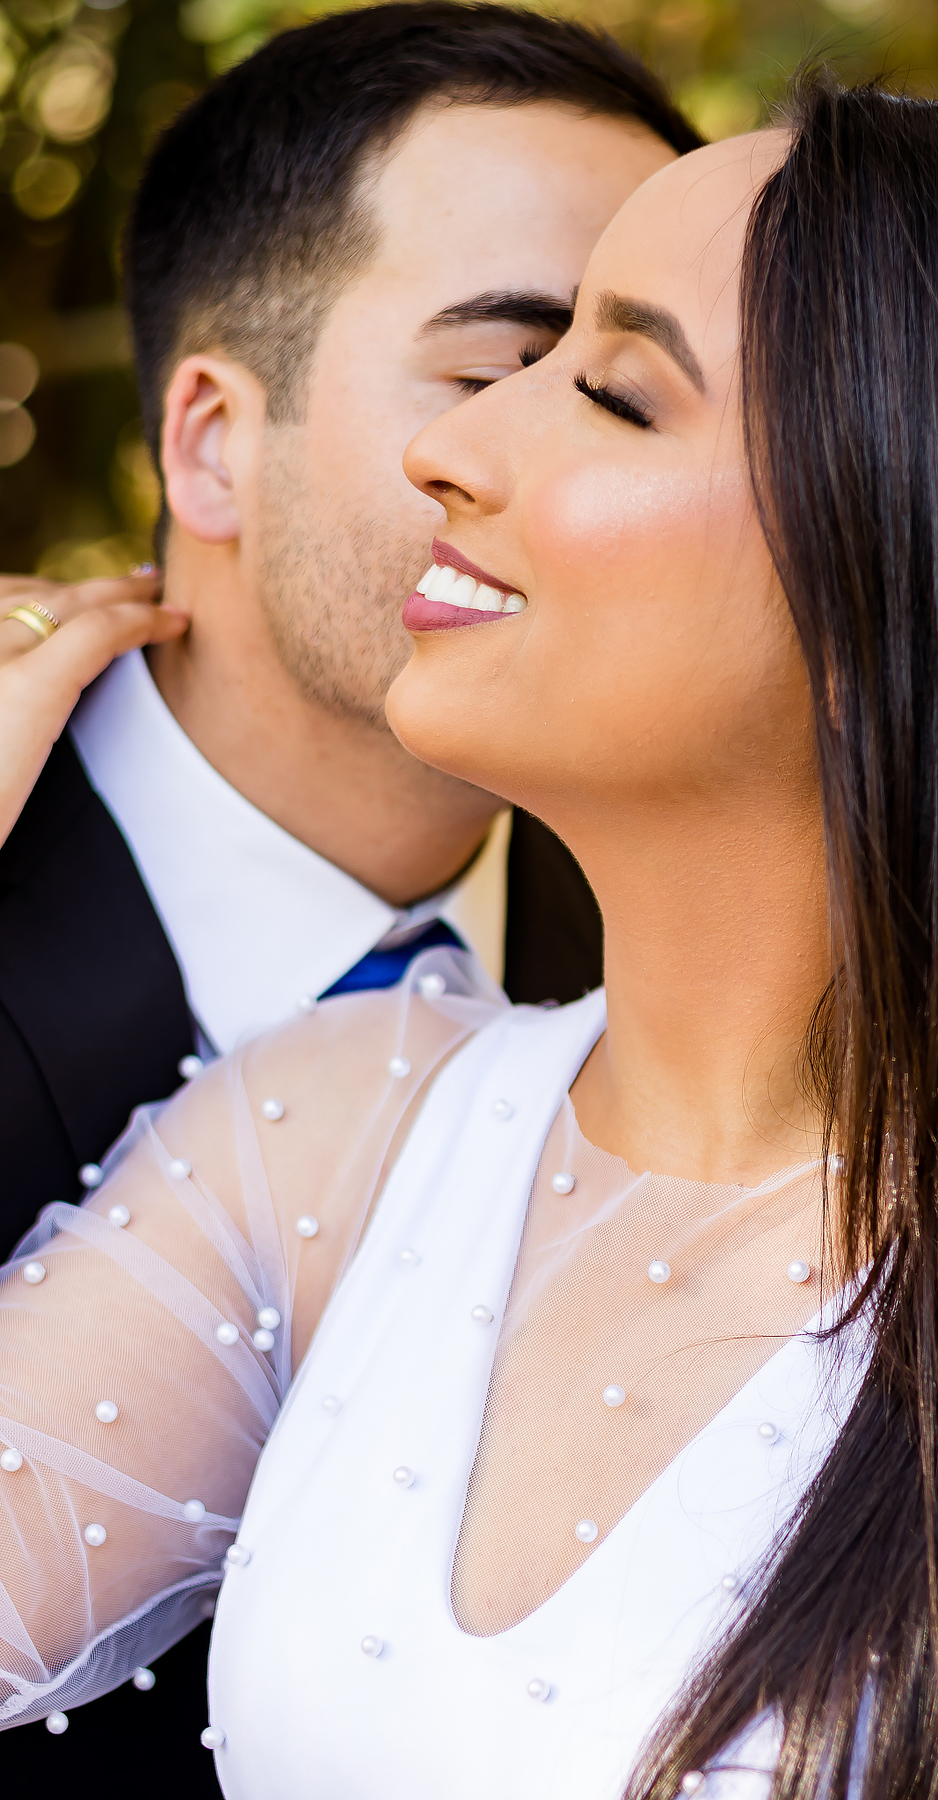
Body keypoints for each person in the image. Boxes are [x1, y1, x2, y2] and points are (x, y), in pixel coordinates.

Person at [2, 70, 938, 1799]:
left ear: (911, 581)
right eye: (509, 359)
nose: (452, 451)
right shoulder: (335, 1128)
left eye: (612, 393)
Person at [0, 4, 700, 1788]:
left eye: (628, 397)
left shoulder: (715, 973)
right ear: (212, 443)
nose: (557, 462)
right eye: (502, 364)